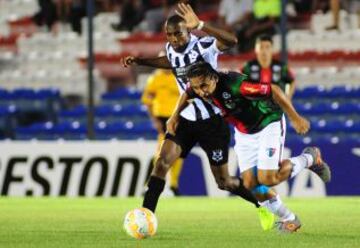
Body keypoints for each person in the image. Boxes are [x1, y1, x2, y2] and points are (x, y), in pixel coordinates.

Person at [122, 3, 275, 230]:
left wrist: (203, 25)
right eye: (170, 35)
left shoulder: (203, 46)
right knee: (161, 163)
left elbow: (231, 41)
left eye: (179, 34)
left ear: (189, 31)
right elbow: (170, 62)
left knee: (224, 182)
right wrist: (141, 61)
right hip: (185, 119)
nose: (174, 39)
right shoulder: (171, 49)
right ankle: (146, 217)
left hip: (213, 121)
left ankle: (261, 207)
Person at [168, 62, 332, 233]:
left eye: (204, 86)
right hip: (244, 132)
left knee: (268, 178)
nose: (201, 91)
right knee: (251, 184)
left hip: (268, 122)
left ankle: (310, 158)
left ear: (214, 77)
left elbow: (274, 90)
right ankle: (290, 219)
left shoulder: (237, 85)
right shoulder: (198, 84)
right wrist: (174, 117)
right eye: (197, 88)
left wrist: (295, 118)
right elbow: (187, 93)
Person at [141, 66, 183, 196]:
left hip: (179, 118)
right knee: (161, 153)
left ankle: (173, 184)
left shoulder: (179, 77)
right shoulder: (155, 78)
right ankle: (151, 183)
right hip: (163, 118)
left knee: (179, 153)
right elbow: (147, 100)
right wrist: (154, 120)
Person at [241, 34, 296, 99]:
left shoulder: (282, 67)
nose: (264, 51)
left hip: (276, 106)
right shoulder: (248, 67)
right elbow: (239, 84)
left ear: (272, 49)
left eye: (267, 47)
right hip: (255, 105)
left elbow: (292, 81)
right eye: (261, 47)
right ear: (256, 49)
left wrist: (287, 98)